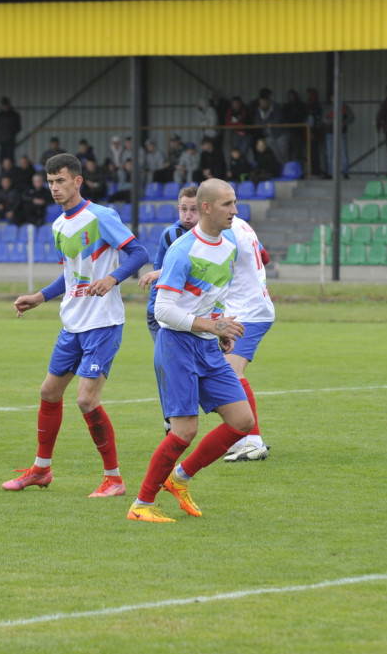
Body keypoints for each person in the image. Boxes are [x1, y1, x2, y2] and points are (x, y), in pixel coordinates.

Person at [4, 153, 150, 497]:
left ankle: (114, 479)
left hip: (103, 323)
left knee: (86, 400)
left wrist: (113, 279)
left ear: (78, 181)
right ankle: (41, 470)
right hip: (72, 323)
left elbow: (140, 254)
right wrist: (40, 296)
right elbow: (71, 276)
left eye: (61, 181)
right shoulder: (59, 225)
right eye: (51, 182)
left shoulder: (101, 217)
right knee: (48, 392)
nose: (54, 188)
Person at [126, 178, 253, 523]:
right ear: (207, 208)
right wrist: (211, 325)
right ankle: (141, 505)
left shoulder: (228, 244)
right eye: (227, 204)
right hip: (176, 346)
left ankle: (179, 479)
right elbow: (163, 311)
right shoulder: (182, 251)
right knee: (184, 431)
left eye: (235, 203)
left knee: (242, 421)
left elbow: (211, 297)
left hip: (207, 345)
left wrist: (220, 327)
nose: (235, 211)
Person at [137, 186, 201, 435]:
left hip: (188, 311)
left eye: (193, 209)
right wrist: (156, 273)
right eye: (183, 209)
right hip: (161, 312)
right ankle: (170, 422)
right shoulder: (174, 234)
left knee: (192, 366)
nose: (188, 214)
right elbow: (187, 265)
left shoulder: (206, 234)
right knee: (171, 366)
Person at [221, 215, 275, 462]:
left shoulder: (225, 230)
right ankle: (242, 438)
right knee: (223, 371)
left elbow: (216, 266)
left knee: (232, 371)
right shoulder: (243, 225)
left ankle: (252, 441)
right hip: (251, 307)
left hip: (247, 312)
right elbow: (264, 257)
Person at [325, 94, 354, 179]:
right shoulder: (328, 108)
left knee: (344, 153)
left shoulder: (345, 107)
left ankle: (345, 173)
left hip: (341, 133)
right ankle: (330, 174)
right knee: (330, 154)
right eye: (334, 97)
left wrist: (344, 122)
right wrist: (334, 121)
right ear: (331, 99)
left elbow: (352, 118)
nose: (335, 99)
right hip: (330, 133)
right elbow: (324, 118)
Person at [0, 97, 22, 167]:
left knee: (10, 157)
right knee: (1, 159)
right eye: (3, 105)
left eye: (6, 105)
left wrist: (10, 134)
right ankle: (3, 174)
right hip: (1, 141)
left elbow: (18, 127)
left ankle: (11, 173)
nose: (5, 107)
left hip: (10, 141)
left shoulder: (14, 115)